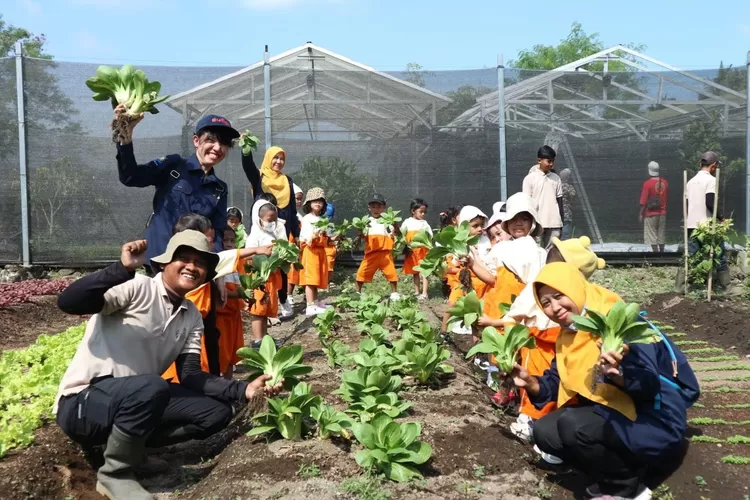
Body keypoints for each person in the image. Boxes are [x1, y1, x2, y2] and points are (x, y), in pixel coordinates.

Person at [54, 232, 283, 500]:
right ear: (164, 264)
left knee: (215, 413)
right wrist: (122, 269)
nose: (191, 266)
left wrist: (243, 390)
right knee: (152, 386)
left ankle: (132, 447)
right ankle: (115, 473)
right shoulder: (136, 287)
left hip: (138, 399)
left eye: (200, 263)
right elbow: (68, 302)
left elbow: (191, 375)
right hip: (83, 403)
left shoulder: (191, 315)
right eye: (183, 258)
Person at [512, 262, 696, 500]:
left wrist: (618, 374)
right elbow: (556, 381)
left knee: (572, 426)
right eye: (546, 303)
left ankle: (627, 487)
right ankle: (616, 465)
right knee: (545, 432)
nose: (554, 308)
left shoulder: (620, 325)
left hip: (656, 418)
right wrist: (530, 383)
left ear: (574, 288)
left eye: (559, 296)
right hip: (615, 413)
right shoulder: (570, 333)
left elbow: (649, 386)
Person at [115, 111, 238, 270]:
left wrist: (216, 271)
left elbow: (218, 232)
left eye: (224, 143)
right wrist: (125, 136)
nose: (217, 148)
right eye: (211, 140)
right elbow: (131, 177)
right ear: (196, 140)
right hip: (156, 263)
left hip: (190, 268)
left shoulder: (219, 188)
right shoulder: (174, 166)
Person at [245, 199, 288, 346]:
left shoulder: (273, 235)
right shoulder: (254, 236)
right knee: (258, 309)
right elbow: (248, 255)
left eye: (274, 220)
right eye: (269, 219)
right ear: (259, 219)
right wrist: (264, 255)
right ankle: (258, 340)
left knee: (265, 309)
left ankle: (265, 338)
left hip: (270, 277)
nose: (272, 222)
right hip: (259, 278)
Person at [442, 206, 488, 336]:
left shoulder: (485, 242)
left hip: (480, 281)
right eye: (475, 226)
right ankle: (443, 332)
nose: (479, 229)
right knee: (452, 302)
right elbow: (454, 262)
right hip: (463, 279)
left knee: (477, 309)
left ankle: (476, 336)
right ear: (465, 228)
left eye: (481, 225)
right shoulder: (460, 242)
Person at [685, 151, 729, 286]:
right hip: (707, 225)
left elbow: (687, 205)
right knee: (718, 253)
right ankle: (725, 286)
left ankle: (693, 285)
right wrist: (721, 218)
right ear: (714, 166)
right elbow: (710, 202)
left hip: (692, 225)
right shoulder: (711, 180)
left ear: (700, 164)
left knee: (693, 256)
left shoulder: (690, 182)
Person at [355, 194, 400, 301]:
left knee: (391, 273)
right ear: (369, 208)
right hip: (371, 254)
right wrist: (360, 232)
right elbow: (363, 235)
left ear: (384, 207)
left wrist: (395, 224)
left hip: (385, 253)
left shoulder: (387, 220)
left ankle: (394, 293)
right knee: (362, 272)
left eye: (379, 207)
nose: (376, 209)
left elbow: (395, 233)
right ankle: (357, 293)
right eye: (373, 207)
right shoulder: (366, 221)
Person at [215, 227, 244, 378]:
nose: (228, 244)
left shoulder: (234, 264)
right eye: (225, 240)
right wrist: (242, 293)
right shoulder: (217, 263)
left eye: (232, 241)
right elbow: (223, 294)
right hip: (222, 317)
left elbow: (238, 286)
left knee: (232, 353)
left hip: (234, 315)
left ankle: (229, 386)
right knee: (223, 353)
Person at [522, 145, 563, 248]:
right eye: (548, 161)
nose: (551, 164)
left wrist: (561, 222)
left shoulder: (556, 178)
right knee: (536, 251)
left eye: (553, 161)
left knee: (552, 252)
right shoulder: (530, 179)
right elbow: (526, 203)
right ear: (539, 160)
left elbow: (560, 201)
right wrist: (528, 223)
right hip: (537, 223)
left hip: (554, 224)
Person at [299, 188, 331, 316]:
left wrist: (333, 237)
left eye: (320, 201)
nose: (318, 203)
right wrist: (314, 236)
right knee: (310, 278)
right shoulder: (307, 218)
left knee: (317, 277)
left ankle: (316, 302)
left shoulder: (323, 219)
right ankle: (310, 305)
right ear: (309, 203)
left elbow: (327, 236)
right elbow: (305, 237)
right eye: (314, 201)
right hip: (310, 251)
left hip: (320, 251)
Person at [401, 198, 433, 300]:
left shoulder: (424, 223)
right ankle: (417, 291)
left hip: (423, 251)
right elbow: (402, 233)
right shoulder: (407, 222)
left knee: (425, 271)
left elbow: (430, 235)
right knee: (415, 272)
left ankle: (424, 293)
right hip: (412, 251)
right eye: (421, 211)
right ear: (413, 211)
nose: (423, 214)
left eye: (424, 212)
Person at [639, 161, 668, 252]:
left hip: (650, 213)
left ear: (649, 170)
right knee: (661, 234)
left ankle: (655, 254)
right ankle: (662, 253)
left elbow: (643, 201)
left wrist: (641, 213)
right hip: (662, 212)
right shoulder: (665, 183)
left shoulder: (647, 184)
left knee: (652, 235)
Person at [559, 168, 576, 241]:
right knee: (566, 234)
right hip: (566, 213)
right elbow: (572, 197)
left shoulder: (555, 186)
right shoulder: (569, 187)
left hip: (555, 214)